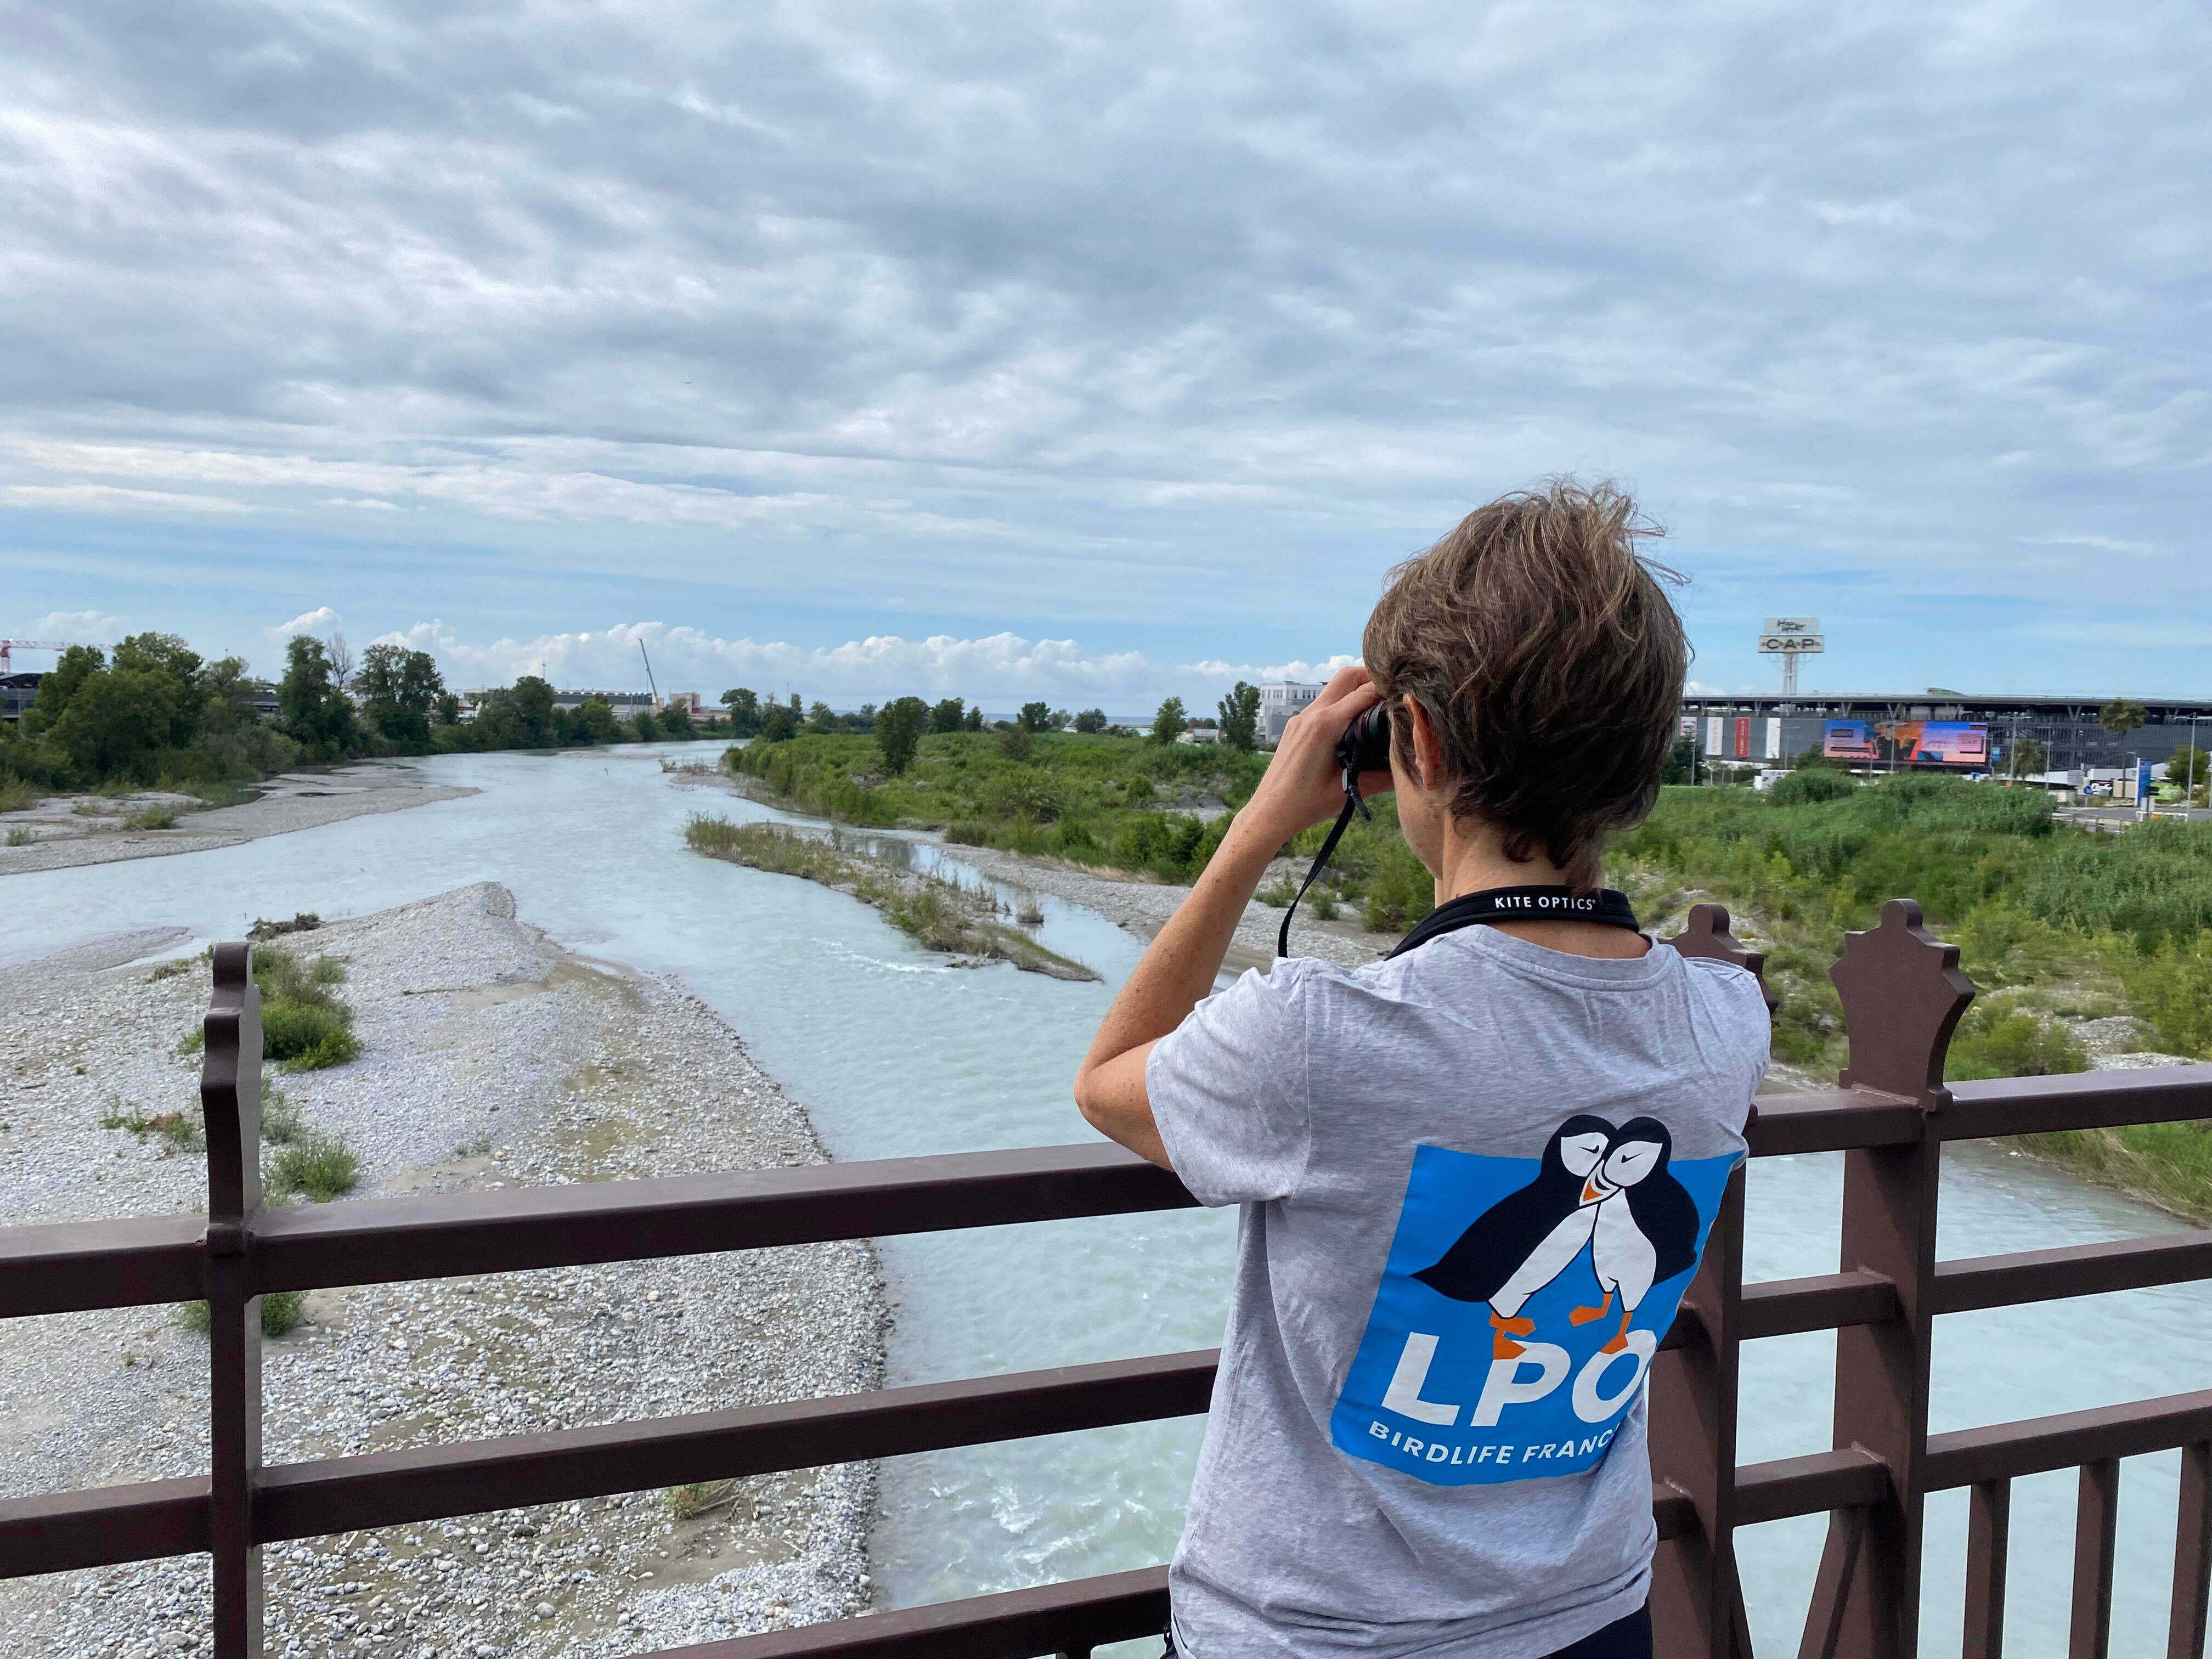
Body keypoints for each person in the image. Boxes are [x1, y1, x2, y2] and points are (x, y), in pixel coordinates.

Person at [1074, 481, 1769, 1658]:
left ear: (1417, 741)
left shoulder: (1320, 1032)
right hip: (1593, 1615)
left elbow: (1108, 1080)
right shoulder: (1726, 1020)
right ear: (1645, 763)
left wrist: (1256, 828)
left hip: (1318, 1632)